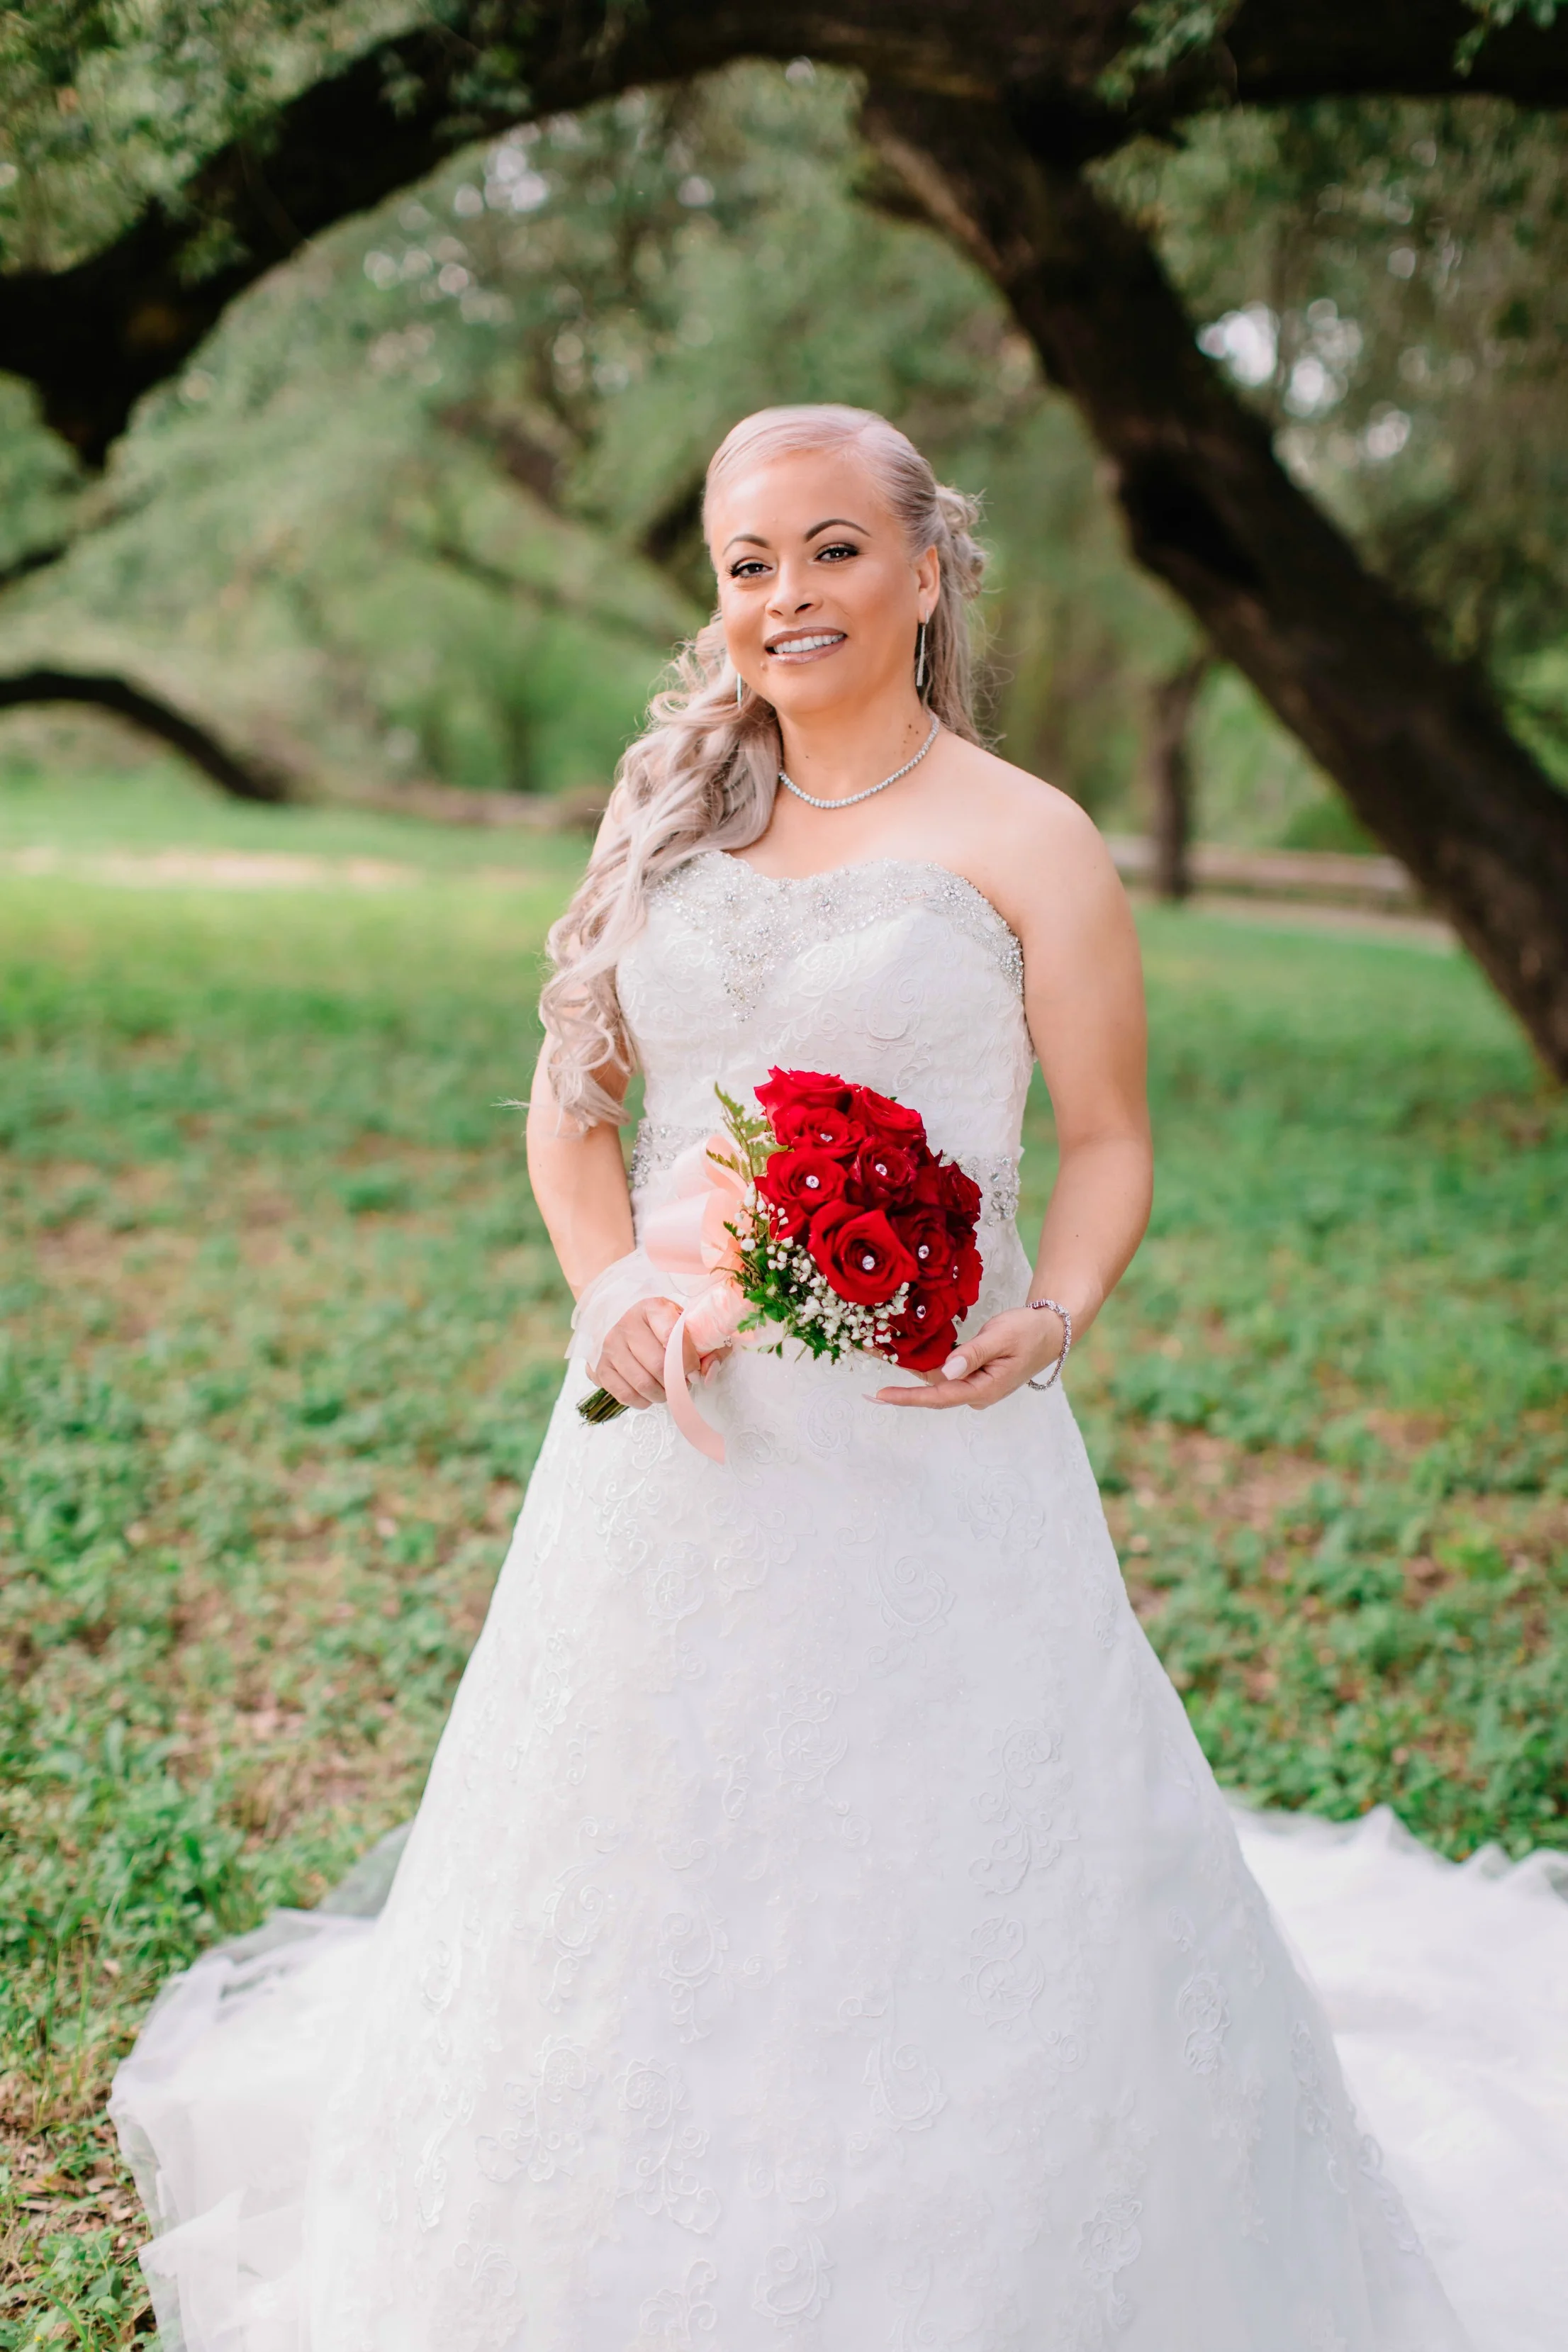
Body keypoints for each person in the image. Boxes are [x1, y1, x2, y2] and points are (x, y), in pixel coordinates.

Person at [116, 405, 1547, 2350]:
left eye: (832, 549)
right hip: (677, 1442)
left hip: (932, 1445)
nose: (787, 593)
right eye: (747, 563)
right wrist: (608, 1291)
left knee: (957, 1877)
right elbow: (571, 1113)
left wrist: (1058, 1309)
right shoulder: (668, 820)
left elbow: (1110, 1137)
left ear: (926, 570)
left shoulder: (1028, 837)